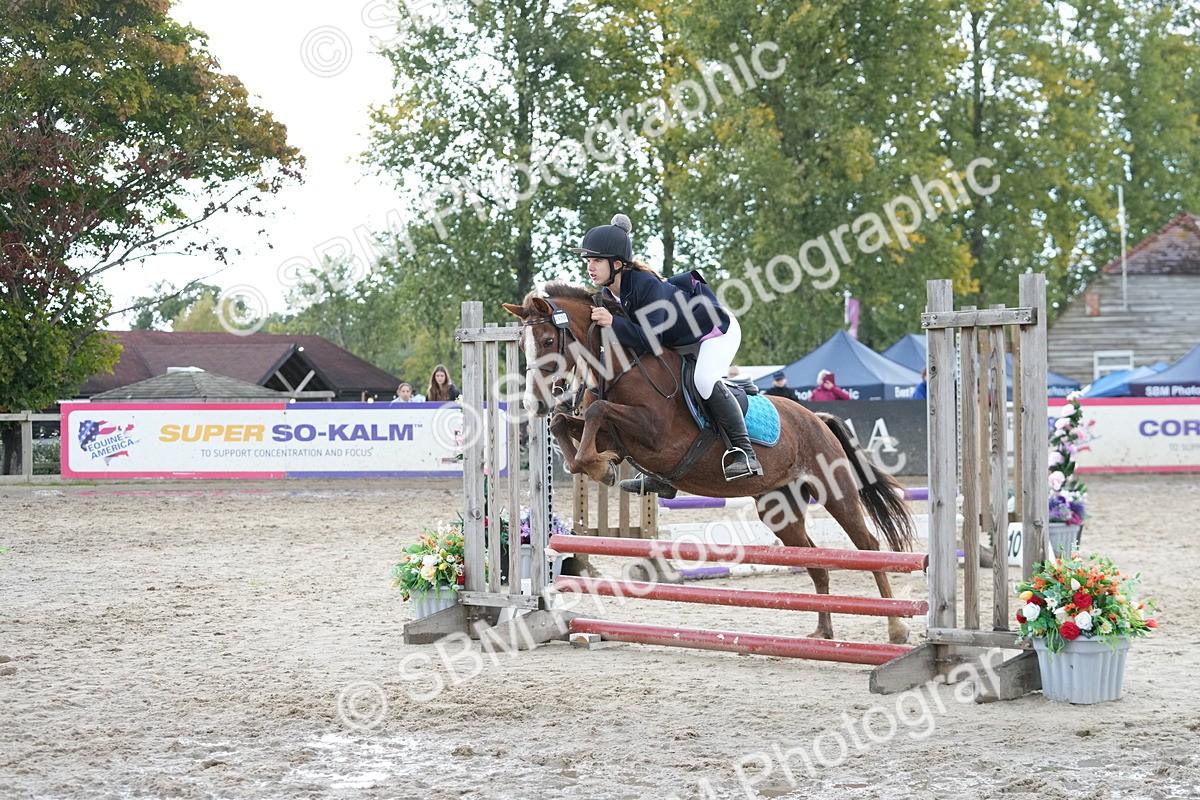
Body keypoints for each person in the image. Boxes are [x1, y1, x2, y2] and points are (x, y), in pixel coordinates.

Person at [571, 213, 762, 493]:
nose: (590, 267)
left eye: (597, 260)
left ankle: (744, 452)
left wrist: (614, 322)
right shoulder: (609, 294)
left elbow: (650, 338)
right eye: (588, 261)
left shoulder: (645, 285)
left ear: (618, 264)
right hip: (677, 340)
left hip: (713, 331)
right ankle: (663, 475)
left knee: (704, 381)